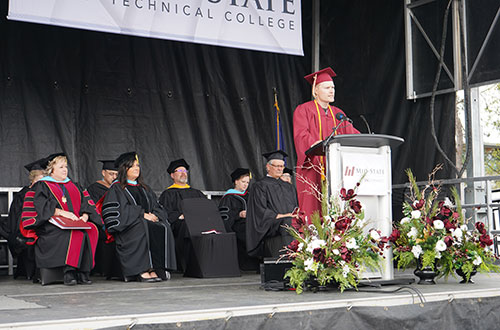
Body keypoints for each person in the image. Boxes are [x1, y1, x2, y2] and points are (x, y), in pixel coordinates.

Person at [21, 153, 100, 285]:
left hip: (76, 222)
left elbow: (86, 203)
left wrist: (85, 216)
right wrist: (62, 213)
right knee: (73, 233)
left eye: (66, 167)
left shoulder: (75, 185)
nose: (65, 170)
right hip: (51, 225)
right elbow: (41, 207)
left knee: (92, 229)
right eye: (61, 167)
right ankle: (69, 272)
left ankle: (83, 272)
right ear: (51, 170)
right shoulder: (42, 186)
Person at [293, 67, 360, 220]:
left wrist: (367, 140)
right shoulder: (303, 110)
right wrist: (316, 143)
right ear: (315, 90)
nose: (332, 91)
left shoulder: (338, 113)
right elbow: (301, 135)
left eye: (333, 88)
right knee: (313, 208)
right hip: (313, 167)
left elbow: (352, 134)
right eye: (327, 87)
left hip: (336, 169)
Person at [102, 152, 176, 282]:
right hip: (129, 227)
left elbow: (157, 206)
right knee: (142, 226)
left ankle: (157, 268)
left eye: (138, 165)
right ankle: (141, 269)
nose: (137, 168)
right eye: (132, 166)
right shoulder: (117, 188)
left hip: (146, 222)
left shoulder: (145, 188)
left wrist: (155, 215)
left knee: (163, 226)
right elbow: (117, 212)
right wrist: (142, 214)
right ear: (124, 169)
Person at [246, 150, 298, 258]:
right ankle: (286, 259)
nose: (280, 169)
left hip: (287, 220)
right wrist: (283, 216)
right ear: (268, 167)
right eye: (277, 166)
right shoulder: (260, 186)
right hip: (271, 225)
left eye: (282, 166)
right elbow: (260, 211)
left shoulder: (288, 187)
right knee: (288, 222)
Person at [159, 158, 206, 271]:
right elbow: (165, 212)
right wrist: (179, 216)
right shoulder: (167, 194)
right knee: (186, 226)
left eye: (185, 171)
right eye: (179, 171)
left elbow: (206, 208)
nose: (183, 173)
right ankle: (189, 265)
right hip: (179, 225)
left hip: (197, 222)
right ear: (172, 175)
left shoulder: (197, 193)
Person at [6, 158, 46, 279]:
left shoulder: (42, 192)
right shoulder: (24, 194)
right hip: (24, 231)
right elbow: (18, 219)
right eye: (41, 179)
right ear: (33, 179)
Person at [219, 168, 259, 271]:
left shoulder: (250, 196)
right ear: (236, 181)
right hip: (237, 226)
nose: (246, 185)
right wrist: (238, 214)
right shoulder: (228, 197)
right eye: (243, 182)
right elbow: (224, 216)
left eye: (247, 182)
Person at [86, 160, 119, 277]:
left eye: (116, 174)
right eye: (111, 174)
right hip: (101, 223)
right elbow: (93, 209)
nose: (114, 177)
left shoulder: (119, 188)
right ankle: (103, 269)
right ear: (103, 173)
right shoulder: (94, 188)